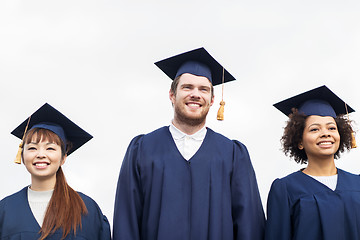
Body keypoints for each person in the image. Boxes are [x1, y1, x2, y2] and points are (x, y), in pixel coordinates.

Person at [113, 47, 265, 240]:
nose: (196, 94)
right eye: (187, 87)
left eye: (204, 89)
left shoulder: (233, 154)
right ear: (172, 95)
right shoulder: (142, 149)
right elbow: (127, 220)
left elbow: (249, 225)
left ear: (212, 100)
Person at [0, 103, 111, 240]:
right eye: (32, 148)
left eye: (50, 148)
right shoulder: (5, 210)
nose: (40, 154)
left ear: (63, 157)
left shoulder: (87, 209)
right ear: (22, 156)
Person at [265, 85, 360, 240]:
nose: (325, 134)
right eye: (314, 129)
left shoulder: (357, 184)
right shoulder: (286, 189)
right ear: (300, 141)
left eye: (331, 128)